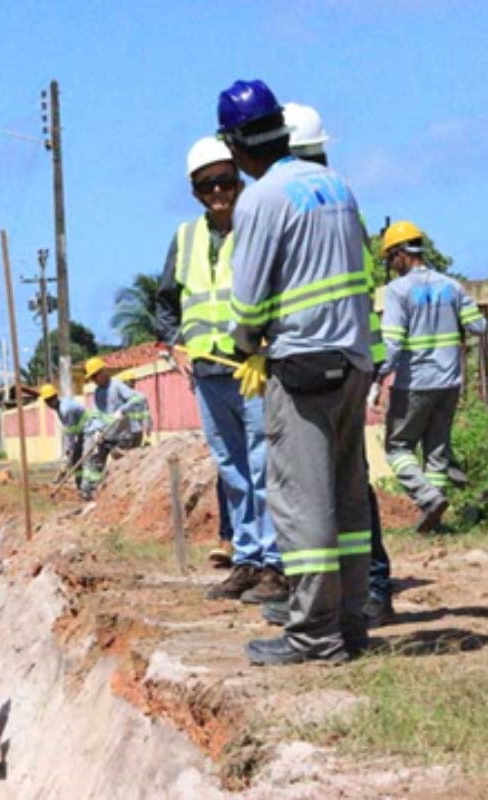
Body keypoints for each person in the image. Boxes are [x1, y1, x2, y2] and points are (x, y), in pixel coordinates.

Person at [219, 78, 375, 666]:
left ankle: (313, 635)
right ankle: (352, 623)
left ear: (234, 144)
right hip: (353, 360)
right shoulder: (338, 186)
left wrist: (246, 345)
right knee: (349, 502)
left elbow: (249, 302)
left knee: (302, 504)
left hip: (302, 366)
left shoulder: (262, 199)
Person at [155, 136, 285, 605]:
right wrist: (176, 345)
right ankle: (246, 559)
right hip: (208, 372)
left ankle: (274, 562)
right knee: (232, 469)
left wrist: (268, 347)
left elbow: (279, 290)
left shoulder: (257, 226)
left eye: (225, 182)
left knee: (263, 464)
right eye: (207, 185)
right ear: (194, 191)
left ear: (239, 181)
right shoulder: (186, 237)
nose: (217, 192)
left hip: (251, 368)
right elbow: (167, 301)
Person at [284, 100, 395, 626]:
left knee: (341, 488)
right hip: (352, 356)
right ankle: (351, 594)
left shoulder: (312, 210)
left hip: (330, 359)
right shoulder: (342, 203)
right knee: (343, 486)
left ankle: (364, 591)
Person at [374, 220, 487, 533]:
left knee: (398, 447)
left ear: (400, 254)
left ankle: (427, 498)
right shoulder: (452, 286)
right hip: (449, 383)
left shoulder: (397, 291)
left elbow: (392, 343)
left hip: (414, 383)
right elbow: (479, 326)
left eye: (390, 259)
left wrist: (378, 375)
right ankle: (436, 519)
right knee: (436, 451)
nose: (390, 266)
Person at [82, 357, 150, 500]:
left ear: (103, 372)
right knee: (95, 460)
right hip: (106, 435)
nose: (94, 380)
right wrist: (97, 429)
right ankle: (90, 491)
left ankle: (127, 494)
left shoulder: (117, 386)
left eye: (95, 376)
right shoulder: (97, 392)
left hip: (123, 437)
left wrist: (123, 410)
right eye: (92, 377)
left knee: (122, 465)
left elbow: (140, 398)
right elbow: (97, 413)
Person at [40, 383, 94, 495]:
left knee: (86, 458)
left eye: (51, 399)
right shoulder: (59, 407)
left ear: (56, 396)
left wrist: (68, 451)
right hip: (82, 431)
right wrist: (68, 453)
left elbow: (71, 434)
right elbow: (70, 432)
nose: (50, 403)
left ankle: (88, 489)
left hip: (90, 429)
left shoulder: (66, 409)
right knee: (75, 459)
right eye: (47, 401)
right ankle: (80, 487)